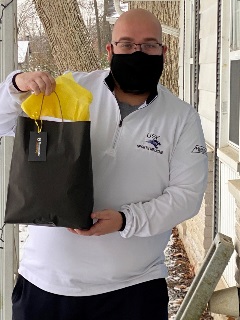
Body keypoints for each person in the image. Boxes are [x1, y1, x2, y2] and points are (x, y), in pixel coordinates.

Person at [0, 8, 208, 320]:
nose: (138, 52)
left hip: (133, 291)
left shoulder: (181, 118)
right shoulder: (69, 91)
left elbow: (186, 197)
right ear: (109, 50)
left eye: (149, 45)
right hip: (46, 287)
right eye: (126, 44)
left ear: (164, 51)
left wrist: (126, 220)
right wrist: (15, 85)